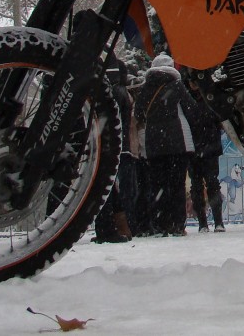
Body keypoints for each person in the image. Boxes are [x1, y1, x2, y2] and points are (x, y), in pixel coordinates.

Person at [135, 54, 197, 236]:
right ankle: (177, 224)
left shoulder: (145, 89)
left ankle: (160, 223)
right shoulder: (176, 86)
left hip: (154, 143)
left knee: (158, 185)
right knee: (177, 184)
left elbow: (139, 113)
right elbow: (191, 108)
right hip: (178, 142)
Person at [93, 61, 135, 243]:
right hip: (118, 143)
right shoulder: (121, 92)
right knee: (111, 186)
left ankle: (110, 227)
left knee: (107, 185)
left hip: (106, 141)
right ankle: (118, 226)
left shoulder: (109, 92)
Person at [188, 99, 225, 233]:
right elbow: (220, 120)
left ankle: (208, 222)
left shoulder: (187, 98)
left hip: (199, 147)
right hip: (207, 145)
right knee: (207, 184)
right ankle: (212, 222)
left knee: (202, 184)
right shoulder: (209, 98)